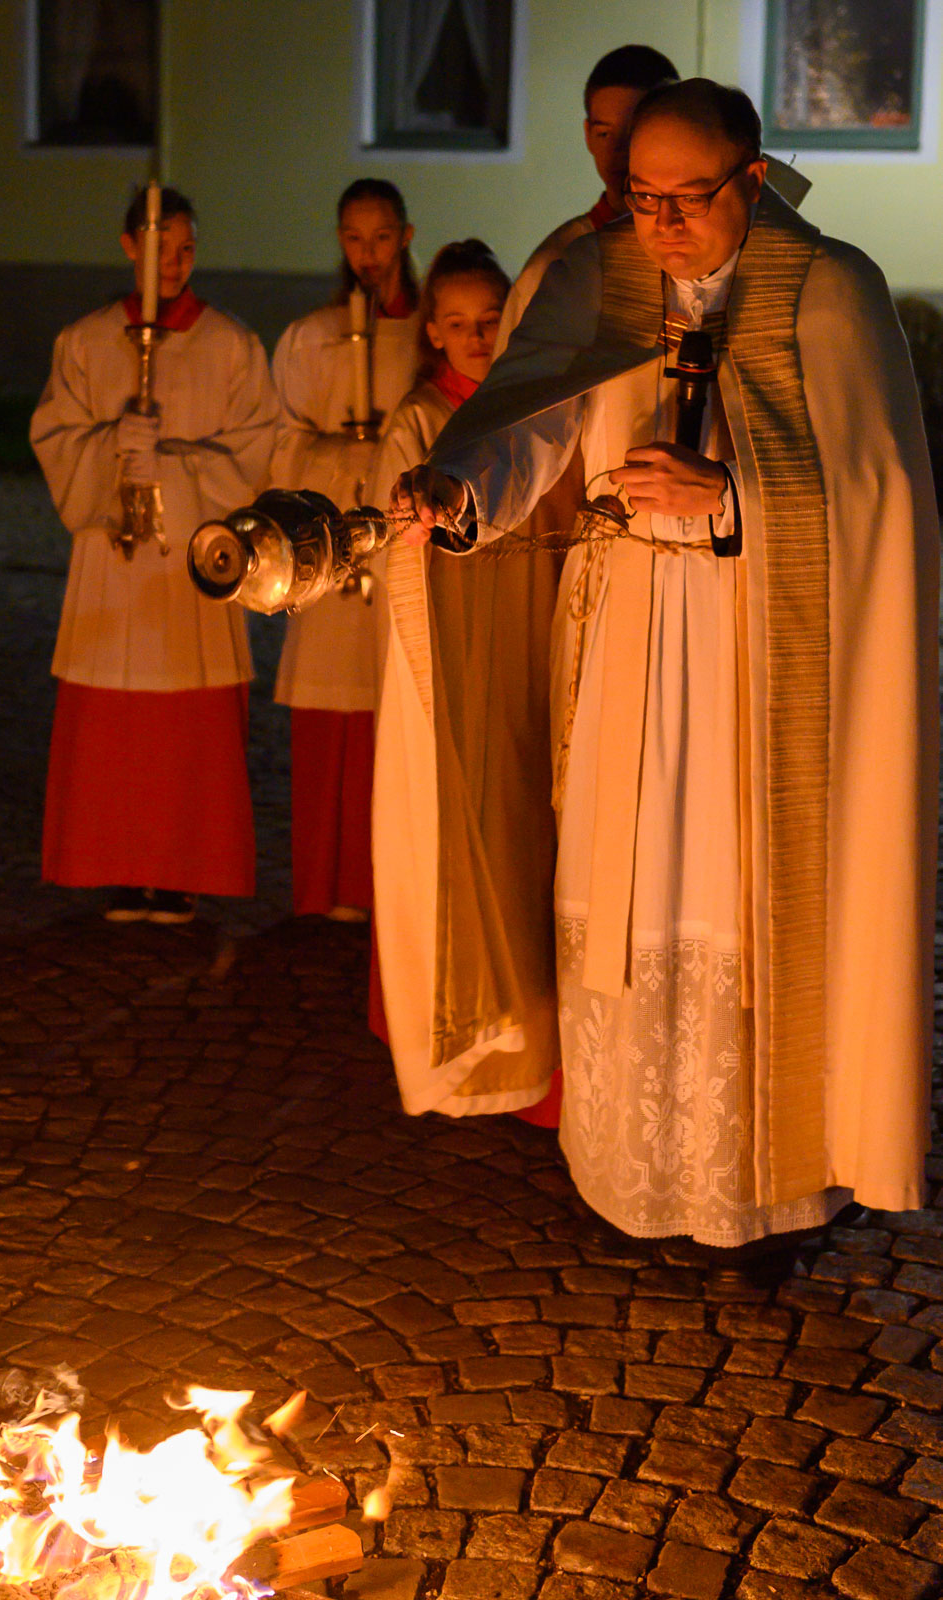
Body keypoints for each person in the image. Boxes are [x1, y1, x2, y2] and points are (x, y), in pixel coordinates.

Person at [387, 80, 938, 1248]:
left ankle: (766, 1195)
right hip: (626, 641)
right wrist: (458, 487)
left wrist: (730, 495)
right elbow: (526, 419)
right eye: (641, 198)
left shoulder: (828, 289)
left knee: (740, 909)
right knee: (625, 898)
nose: (661, 226)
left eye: (687, 198)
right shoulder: (597, 278)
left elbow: (882, 502)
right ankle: (631, 1180)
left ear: (752, 178)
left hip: (761, 659)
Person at [31, 186, 278, 925]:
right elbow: (54, 437)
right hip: (112, 561)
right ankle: (120, 864)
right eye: (159, 248)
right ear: (127, 247)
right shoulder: (86, 341)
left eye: (186, 249)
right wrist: (110, 448)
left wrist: (169, 463)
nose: (173, 263)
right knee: (118, 730)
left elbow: (256, 452)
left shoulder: (230, 345)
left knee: (184, 730)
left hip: (191, 562)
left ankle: (182, 869)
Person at [364, 239, 564, 1128]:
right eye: (459, 323)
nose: (478, 338)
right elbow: (398, 542)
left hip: (532, 633)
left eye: (492, 321)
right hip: (459, 654)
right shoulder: (420, 420)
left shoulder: (535, 409)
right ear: (433, 333)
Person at [272, 179, 420, 922]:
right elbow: (279, 445)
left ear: (406, 237)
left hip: (400, 547)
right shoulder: (311, 338)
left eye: (382, 237)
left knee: (393, 715)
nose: (369, 255)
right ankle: (324, 881)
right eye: (356, 239)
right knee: (331, 715)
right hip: (329, 548)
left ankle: (382, 882)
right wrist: (343, 458)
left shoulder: (427, 336)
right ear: (340, 241)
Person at [494, 43, 678, 350]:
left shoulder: (697, 247)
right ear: (587, 135)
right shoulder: (557, 267)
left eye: (633, 132)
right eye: (604, 133)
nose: (617, 150)